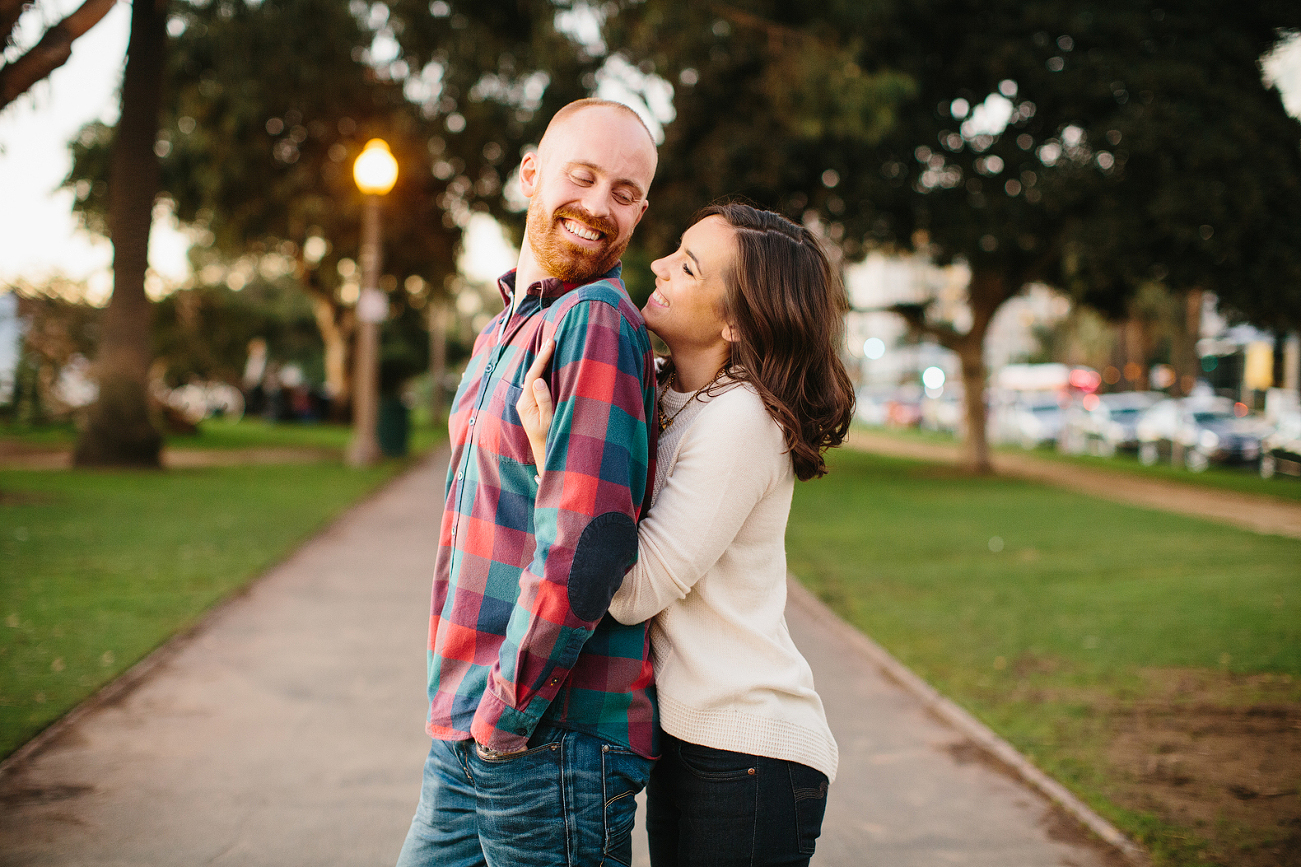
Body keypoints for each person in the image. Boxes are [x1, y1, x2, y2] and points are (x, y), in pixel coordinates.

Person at [519, 201, 856, 866]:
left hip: (747, 748)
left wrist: (548, 452)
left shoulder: (739, 422)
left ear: (735, 320)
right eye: (675, 250)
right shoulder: (666, 393)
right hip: (694, 742)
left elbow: (630, 591)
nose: (657, 265)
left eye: (688, 267)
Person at [395, 99, 661, 867]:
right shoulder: (499, 331)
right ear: (531, 174)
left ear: (640, 210)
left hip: (549, 736)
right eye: (581, 177)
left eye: (622, 191)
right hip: (470, 726)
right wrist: (474, 718)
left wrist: (504, 715)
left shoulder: (597, 322)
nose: (597, 206)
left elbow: (587, 546)